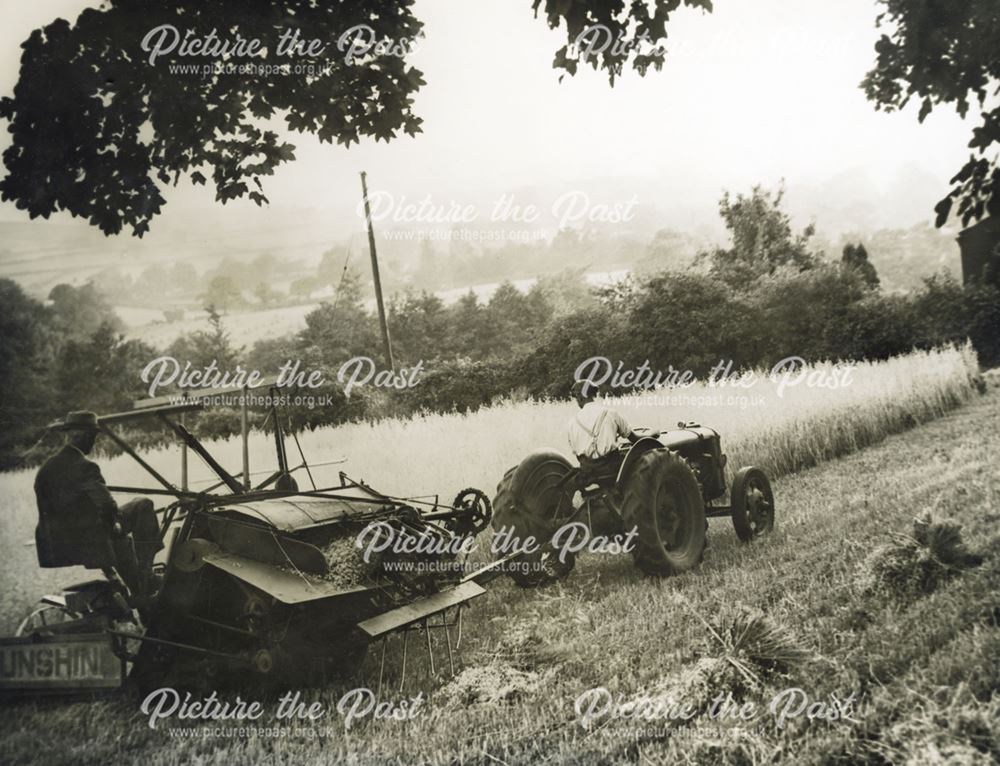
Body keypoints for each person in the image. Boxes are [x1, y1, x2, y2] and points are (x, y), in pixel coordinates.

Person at [34, 411, 162, 605]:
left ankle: (140, 584)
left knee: (121, 543)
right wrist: (115, 524)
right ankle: (146, 575)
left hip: (56, 542)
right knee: (143, 505)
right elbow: (107, 505)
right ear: (87, 437)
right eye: (93, 438)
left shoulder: (46, 468)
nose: (93, 444)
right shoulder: (85, 466)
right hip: (88, 536)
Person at [567, 381, 652, 480]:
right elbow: (635, 439)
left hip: (588, 470)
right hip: (611, 468)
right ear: (595, 395)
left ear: (580, 397)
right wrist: (651, 434)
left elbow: (575, 451)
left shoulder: (572, 422)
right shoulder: (611, 413)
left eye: (576, 398)